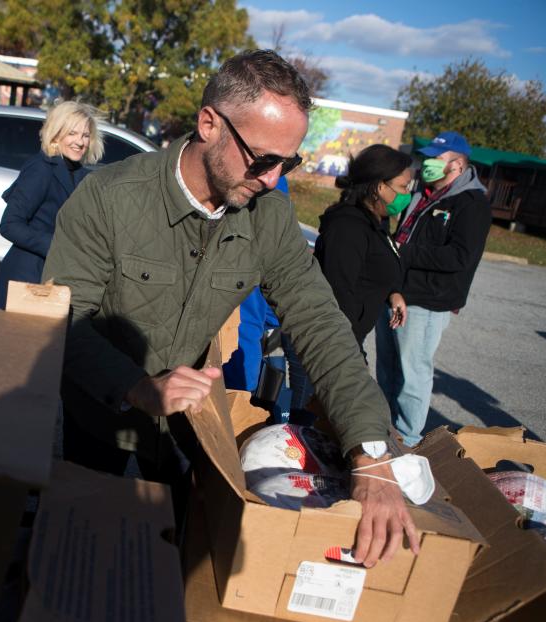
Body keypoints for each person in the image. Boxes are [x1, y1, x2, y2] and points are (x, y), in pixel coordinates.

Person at [43, 50, 419, 568]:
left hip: (189, 429)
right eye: (263, 159)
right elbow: (63, 317)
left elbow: (320, 324)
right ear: (208, 124)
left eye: (288, 163)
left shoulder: (270, 217)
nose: (272, 179)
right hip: (102, 416)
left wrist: (372, 456)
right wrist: (137, 386)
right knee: (84, 548)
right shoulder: (108, 198)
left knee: (169, 558)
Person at [375, 132, 492, 446]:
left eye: (434, 158)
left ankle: (409, 439)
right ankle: (384, 430)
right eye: (426, 157)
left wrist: (406, 250)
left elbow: (461, 256)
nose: (426, 163)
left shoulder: (472, 203)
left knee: (412, 375)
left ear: (456, 164)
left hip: (428, 302)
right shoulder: (420, 192)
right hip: (395, 292)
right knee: (386, 370)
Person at [0, 101, 104, 309]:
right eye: (72, 133)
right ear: (56, 134)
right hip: (26, 276)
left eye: (85, 135)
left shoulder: (79, 174)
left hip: (54, 279)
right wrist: (58, 247)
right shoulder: (42, 169)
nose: (80, 142)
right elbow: (9, 224)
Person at [315, 144, 411, 350]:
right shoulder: (348, 228)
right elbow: (338, 294)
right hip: (333, 346)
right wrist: (352, 354)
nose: (407, 194)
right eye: (403, 187)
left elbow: (374, 264)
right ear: (379, 187)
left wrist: (393, 293)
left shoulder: (378, 220)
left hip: (349, 339)